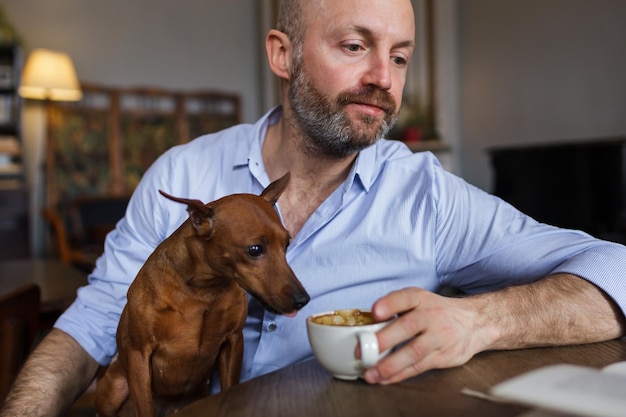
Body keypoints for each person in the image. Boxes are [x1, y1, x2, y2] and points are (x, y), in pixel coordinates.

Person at [3, 0, 626, 415]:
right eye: (356, 46)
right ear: (283, 54)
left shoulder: (429, 199)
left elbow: (615, 268)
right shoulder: (183, 172)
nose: (385, 77)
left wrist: (480, 321)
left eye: (401, 56)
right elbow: (88, 329)